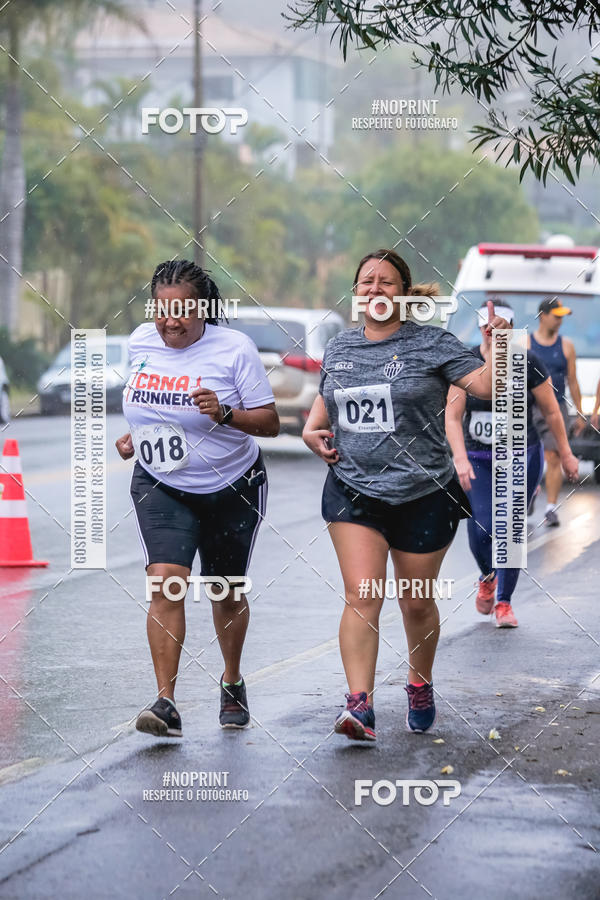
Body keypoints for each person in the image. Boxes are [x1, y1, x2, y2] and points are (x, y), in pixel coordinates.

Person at [302, 248, 511, 742]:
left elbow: (488, 386)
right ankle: (359, 705)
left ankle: (420, 682)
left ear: (404, 293)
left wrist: (497, 345)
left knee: (416, 602)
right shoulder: (340, 347)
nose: (375, 288)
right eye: (367, 281)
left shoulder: (432, 343)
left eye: (386, 282)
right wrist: (311, 431)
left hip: (424, 491)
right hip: (354, 489)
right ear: (357, 292)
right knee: (362, 595)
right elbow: (327, 404)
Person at [116, 260, 279, 738]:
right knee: (166, 583)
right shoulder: (140, 342)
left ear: (203, 308)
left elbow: (270, 422)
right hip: (162, 483)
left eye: (183, 311)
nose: (171, 321)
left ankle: (232, 681)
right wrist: (135, 436)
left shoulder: (234, 349)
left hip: (232, 486)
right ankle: (165, 702)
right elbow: (146, 406)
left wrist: (225, 413)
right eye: (162, 310)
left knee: (225, 591)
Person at [445, 303, 579, 628]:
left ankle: (504, 602)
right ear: (480, 330)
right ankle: (487, 577)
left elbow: (551, 411)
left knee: (510, 526)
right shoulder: (465, 361)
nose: (492, 332)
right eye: (487, 327)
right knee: (483, 525)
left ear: (512, 329)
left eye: (501, 327)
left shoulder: (527, 361)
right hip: (477, 458)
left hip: (521, 454)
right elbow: (452, 415)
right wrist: (459, 457)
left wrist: (566, 453)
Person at [528, 298, 585, 526]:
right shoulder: (526, 343)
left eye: (562, 317)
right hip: (529, 407)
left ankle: (550, 507)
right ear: (542, 316)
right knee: (527, 455)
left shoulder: (566, 346)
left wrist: (579, 412)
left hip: (555, 407)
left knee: (554, 455)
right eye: (556, 316)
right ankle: (531, 491)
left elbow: (573, 381)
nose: (560, 321)